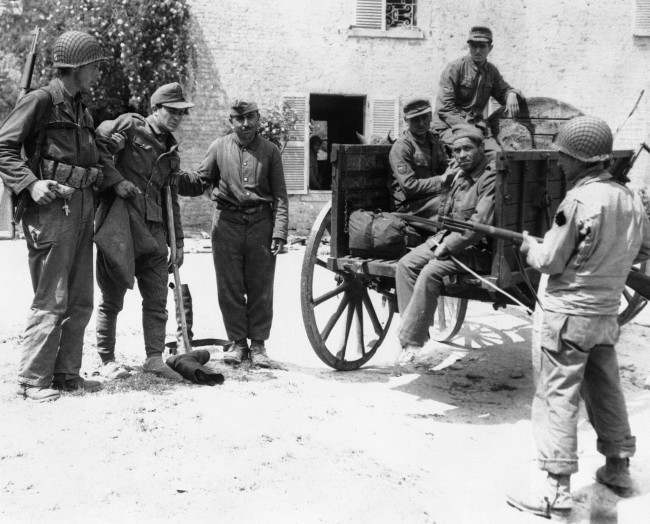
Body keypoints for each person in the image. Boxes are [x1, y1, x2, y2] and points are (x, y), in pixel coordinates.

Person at [506, 116, 650, 518]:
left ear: (580, 161)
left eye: (563, 157)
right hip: (606, 316)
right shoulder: (630, 199)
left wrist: (529, 247)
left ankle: (555, 490)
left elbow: (551, 262)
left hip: (567, 316)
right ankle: (618, 466)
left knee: (556, 397)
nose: (559, 163)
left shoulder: (578, 201)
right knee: (606, 388)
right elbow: (643, 248)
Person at [0, 31, 124, 401]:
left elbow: (93, 155)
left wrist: (114, 179)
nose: (98, 74)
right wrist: (30, 184)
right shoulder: (41, 101)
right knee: (52, 297)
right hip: (51, 209)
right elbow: (4, 146)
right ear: (78, 67)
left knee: (81, 297)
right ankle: (34, 379)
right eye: (95, 67)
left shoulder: (79, 107)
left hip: (81, 206)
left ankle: (67, 373)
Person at [177, 100, 289, 367]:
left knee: (261, 285)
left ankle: (259, 345)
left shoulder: (270, 151)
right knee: (230, 286)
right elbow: (200, 180)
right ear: (231, 122)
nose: (246, 124)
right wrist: (174, 177)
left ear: (258, 118)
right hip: (226, 224)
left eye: (250, 118)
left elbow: (281, 196)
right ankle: (238, 343)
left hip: (261, 224)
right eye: (239, 119)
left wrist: (279, 231)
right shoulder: (218, 147)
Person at [94, 82, 193, 381]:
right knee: (112, 297)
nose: (177, 117)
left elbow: (171, 197)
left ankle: (153, 358)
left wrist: (179, 243)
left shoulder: (171, 151)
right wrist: (115, 180)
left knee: (156, 297)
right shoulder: (131, 125)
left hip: (155, 229)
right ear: (155, 108)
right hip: (120, 222)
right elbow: (96, 145)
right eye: (171, 111)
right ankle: (107, 359)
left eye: (181, 113)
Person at [394, 124, 494, 369]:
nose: (461, 155)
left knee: (430, 271)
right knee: (406, 265)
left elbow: (478, 225)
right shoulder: (459, 174)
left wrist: (447, 246)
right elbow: (444, 212)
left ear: (481, 148)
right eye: (457, 150)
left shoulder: (490, 176)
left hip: (478, 248)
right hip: (447, 237)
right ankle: (413, 336)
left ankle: (411, 338)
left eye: (467, 149)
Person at [432, 26, 523, 151]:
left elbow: (502, 91)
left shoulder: (491, 71)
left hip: (476, 126)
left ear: (490, 48)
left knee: (497, 155)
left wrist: (511, 94)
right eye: (474, 46)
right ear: (469, 47)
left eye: (482, 46)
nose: (478, 51)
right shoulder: (455, 68)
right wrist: (469, 129)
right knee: (469, 151)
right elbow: (445, 109)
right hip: (449, 126)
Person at [389, 98, 449, 217]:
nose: (421, 123)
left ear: (430, 116)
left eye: (424, 117)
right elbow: (409, 187)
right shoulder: (402, 147)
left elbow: (445, 167)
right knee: (450, 205)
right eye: (415, 119)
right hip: (408, 206)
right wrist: (441, 180)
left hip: (431, 197)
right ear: (406, 120)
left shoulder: (434, 140)